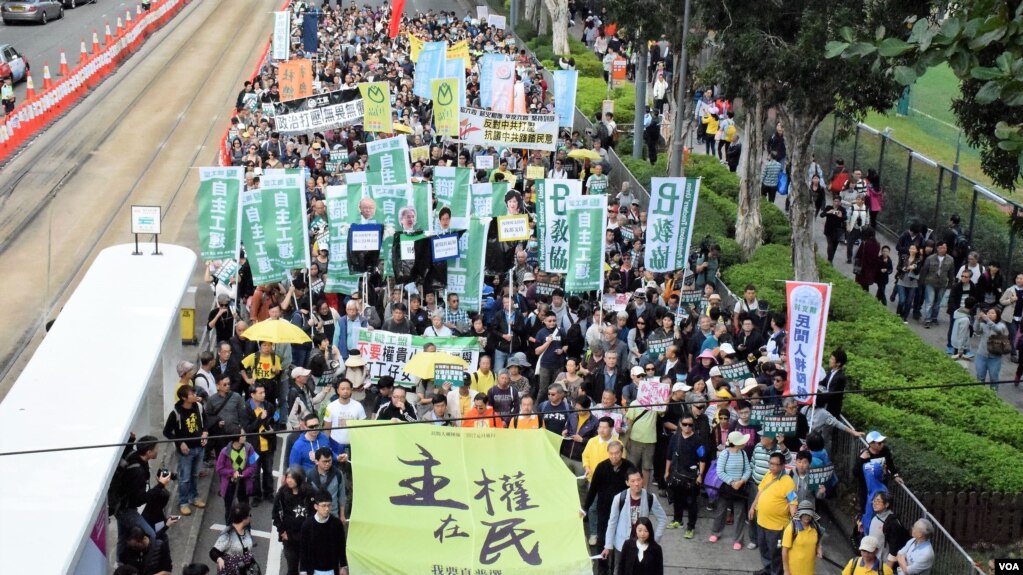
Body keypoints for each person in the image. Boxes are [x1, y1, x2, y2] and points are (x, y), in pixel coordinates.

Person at [602, 469, 668, 573]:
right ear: (627, 483)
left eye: (638, 480)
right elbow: (612, 522)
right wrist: (608, 545)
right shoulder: (619, 498)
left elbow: (662, 518)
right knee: (619, 570)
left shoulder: (650, 498)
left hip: (642, 543)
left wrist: (654, 539)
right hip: (621, 543)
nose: (636, 484)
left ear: (643, 480)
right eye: (632, 481)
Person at [162, 385, 209, 516]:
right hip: (186, 451)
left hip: (199, 447)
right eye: (192, 394)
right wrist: (180, 442)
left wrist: (205, 432)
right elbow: (167, 432)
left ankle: (194, 497)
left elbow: (205, 421)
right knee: (185, 478)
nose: (195, 395)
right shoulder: (176, 413)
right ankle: (183, 502)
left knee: (195, 475)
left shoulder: (198, 406)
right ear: (184, 398)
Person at [749, 452, 798, 575]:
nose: (772, 466)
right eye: (770, 463)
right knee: (764, 549)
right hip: (761, 522)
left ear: (782, 465)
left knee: (776, 553)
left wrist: (796, 524)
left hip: (777, 527)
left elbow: (793, 504)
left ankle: (776, 572)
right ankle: (767, 569)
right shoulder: (768, 475)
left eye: (776, 464)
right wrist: (753, 506)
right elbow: (760, 492)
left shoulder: (788, 482)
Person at [113, 436, 162, 559]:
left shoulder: (134, 456)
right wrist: (160, 486)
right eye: (156, 448)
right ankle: (149, 563)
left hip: (120, 506)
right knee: (151, 536)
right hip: (126, 510)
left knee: (122, 537)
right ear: (148, 452)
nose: (158, 450)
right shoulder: (138, 472)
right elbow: (140, 499)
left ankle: (120, 561)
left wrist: (130, 440)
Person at [664, 412, 705, 539]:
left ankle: (691, 527)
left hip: (691, 477)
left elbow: (702, 459)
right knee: (677, 499)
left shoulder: (698, 440)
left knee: (691, 502)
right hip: (676, 474)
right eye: (685, 424)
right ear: (680, 424)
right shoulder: (675, 438)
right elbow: (669, 456)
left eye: (690, 425)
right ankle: (678, 520)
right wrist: (667, 471)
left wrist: (700, 475)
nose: (687, 427)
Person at [710, 431, 752, 549]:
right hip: (726, 487)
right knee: (721, 511)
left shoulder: (743, 453)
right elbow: (720, 471)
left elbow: (748, 470)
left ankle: (738, 540)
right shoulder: (725, 453)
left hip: (740, 487)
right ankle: (715, 532)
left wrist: (741, 481)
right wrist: (732, 482)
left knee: (739, 514)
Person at [273, 467, 316, 575]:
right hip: (289, 538)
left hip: (306, 538)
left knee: (307, 569)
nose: (289, 480)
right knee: (292, 568)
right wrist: (282, 531)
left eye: (292, 478)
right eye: (287, 477)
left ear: (299, 478)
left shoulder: (310, 492)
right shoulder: (282, 492)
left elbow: (315, 514)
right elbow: (275, 513)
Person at [243, 383, 277, 507]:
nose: (263, 395)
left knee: (268, 471)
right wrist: (260, 419)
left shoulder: (269, 406)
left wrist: (273, 428)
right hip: (253, 448)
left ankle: (269, 493)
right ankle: (256, 496)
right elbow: (248, 429)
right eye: (260, 393)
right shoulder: (245, 408)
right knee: (254, 473)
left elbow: (276, 418)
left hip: (268, 446)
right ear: (252, 395)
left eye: (264, 392)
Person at [301, 491, 349, 575]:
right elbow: (303, 549)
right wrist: (303, 570)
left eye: (329, 505)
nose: (327, 509)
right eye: (323, 506)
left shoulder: (337, 524)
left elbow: (341, 546)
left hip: (332, 570)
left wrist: (343, 566)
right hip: (313, 570)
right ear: (316, 506)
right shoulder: (307, 525)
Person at [216, 428, 257, 524]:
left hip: (244, 483)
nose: (245, 436)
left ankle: (246, 528)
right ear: (236, 438)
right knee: (229, 508)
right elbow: (219, 468)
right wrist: (232, 473)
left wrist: (244, 474)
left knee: (245, 508)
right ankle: (229, 527)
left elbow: (254, 465)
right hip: (229, 485)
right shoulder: (224, 451)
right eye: (242, 435)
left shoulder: (250, 448)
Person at [209, 503, 256, 575]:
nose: (250, 517)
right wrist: (219, 559)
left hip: (243, 569)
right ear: (243, 519)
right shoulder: (228, 534)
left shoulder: (245, 530)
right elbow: (213, 552)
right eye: (249, 515)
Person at [781, 500, 823, 575]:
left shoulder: (816, 527)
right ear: (800, 514)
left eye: (809, 514)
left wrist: (819, 547)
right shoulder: (791, 529)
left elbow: (819, 538)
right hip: (794, 571)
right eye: (804, 514)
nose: (807, 516)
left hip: (809, 570)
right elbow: (784, 551)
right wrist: (786, 570)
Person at [306, 446, 348, 522]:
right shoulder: (310, 475)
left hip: (333, 515)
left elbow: (342, 496)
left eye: (329, 461)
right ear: (317, 461)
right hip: (315, 516)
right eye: (324, 461)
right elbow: (307, 498)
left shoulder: (338, 474)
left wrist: (342, 515)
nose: (327, 464)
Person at [975, 306, 1010, 389]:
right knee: (980, 378)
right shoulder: (984, 324)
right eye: (989, 313)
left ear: (997, 315)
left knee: (994, 379)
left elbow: (998, 330)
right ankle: (980, 393)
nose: (990, 314)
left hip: (995, 358)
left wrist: (987, 320)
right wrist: (978, 320)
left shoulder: (1001, 325)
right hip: (981, 355)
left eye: (992, 313)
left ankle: (993, 394)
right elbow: (977, 331)